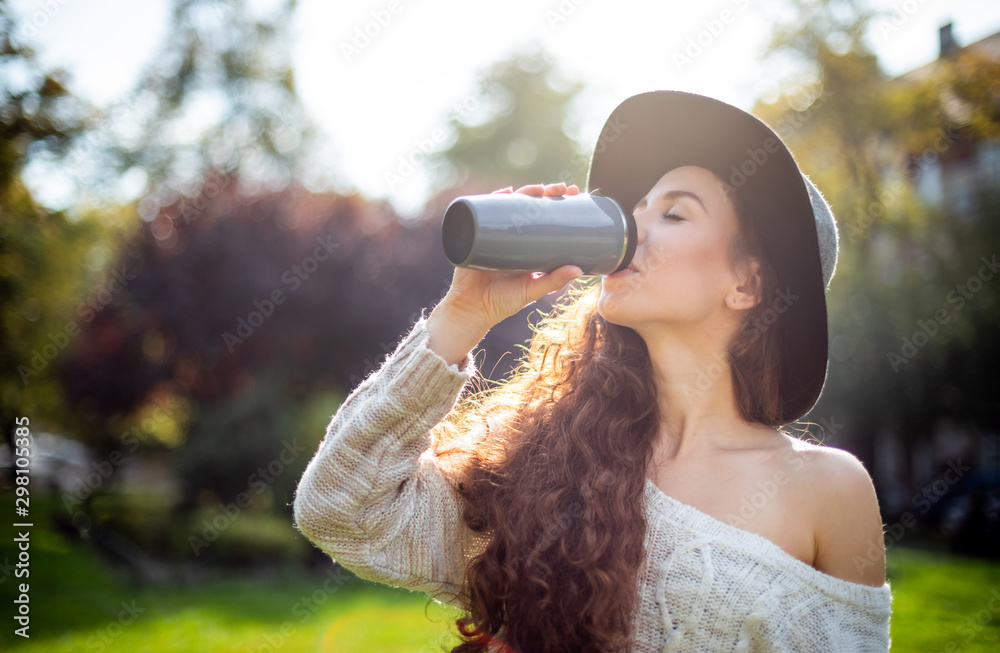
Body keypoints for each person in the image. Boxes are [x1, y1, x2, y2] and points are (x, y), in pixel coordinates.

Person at [293, 90, 893, 652]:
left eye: (675, 215)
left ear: (747, 282)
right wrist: (460, 317)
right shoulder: (544, 473)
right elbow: (339, 509)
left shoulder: (829, 490)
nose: (632, 230)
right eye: (635, 210)